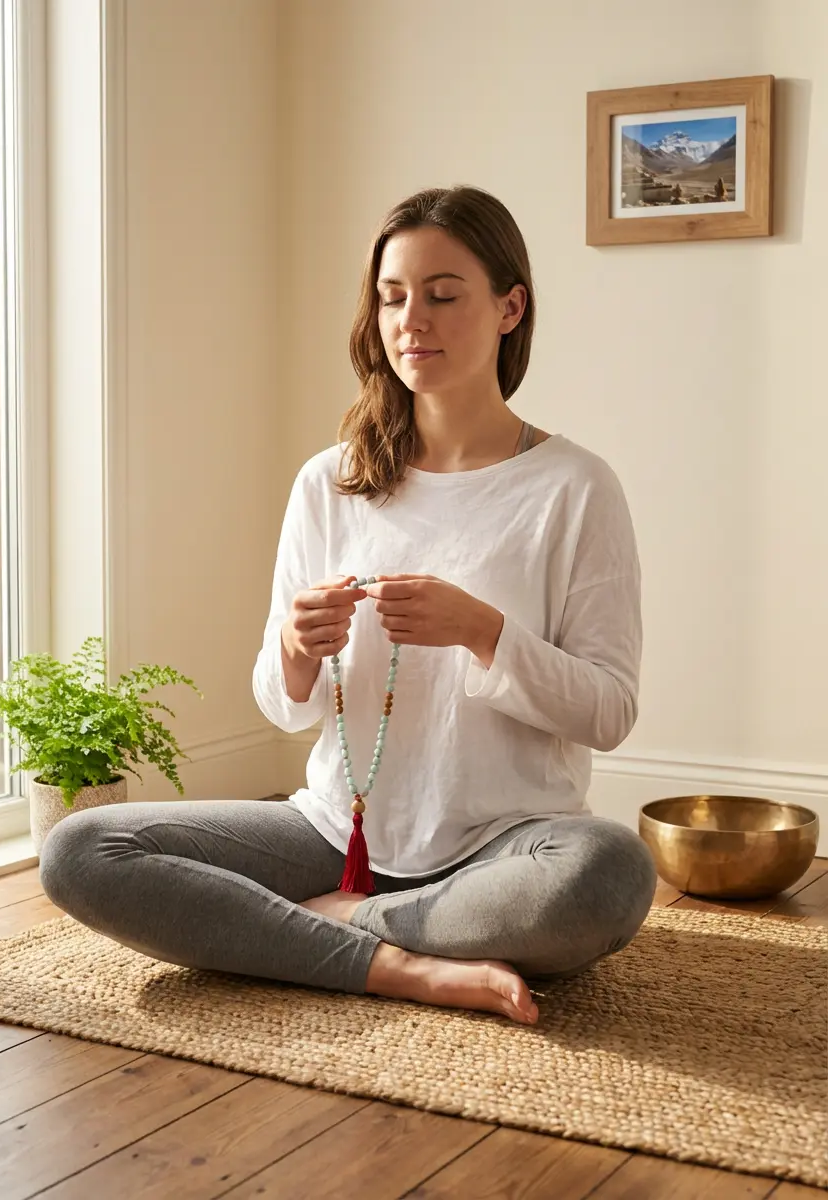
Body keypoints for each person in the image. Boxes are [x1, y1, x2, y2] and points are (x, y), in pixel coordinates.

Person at [40, 185, 657, 1027]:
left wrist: (482, 633)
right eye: (393, 296)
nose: (412, 320)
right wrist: (296, 649)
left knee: (611, 872)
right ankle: (406, 967)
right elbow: (281, 706)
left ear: (510, 307)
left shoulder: (574, 488)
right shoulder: (331, 482)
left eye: (443, 295)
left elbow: (609, 711)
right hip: (336, 833)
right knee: (82, 848)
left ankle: (337, 927)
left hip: (506, 845)